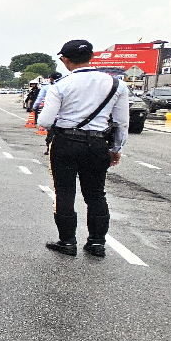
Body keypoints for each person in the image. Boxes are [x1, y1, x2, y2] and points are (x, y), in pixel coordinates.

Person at [37, 40, 129, 258]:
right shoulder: (116, 85)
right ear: (91, 57)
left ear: (65, 60)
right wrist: (116, 148)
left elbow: (45, 121)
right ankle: (97, 243)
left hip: (65, 143)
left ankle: (67, 242)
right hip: (97, 144)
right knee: (96, 194)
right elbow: (121, 123)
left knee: (65, 193)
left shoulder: (60, 86)